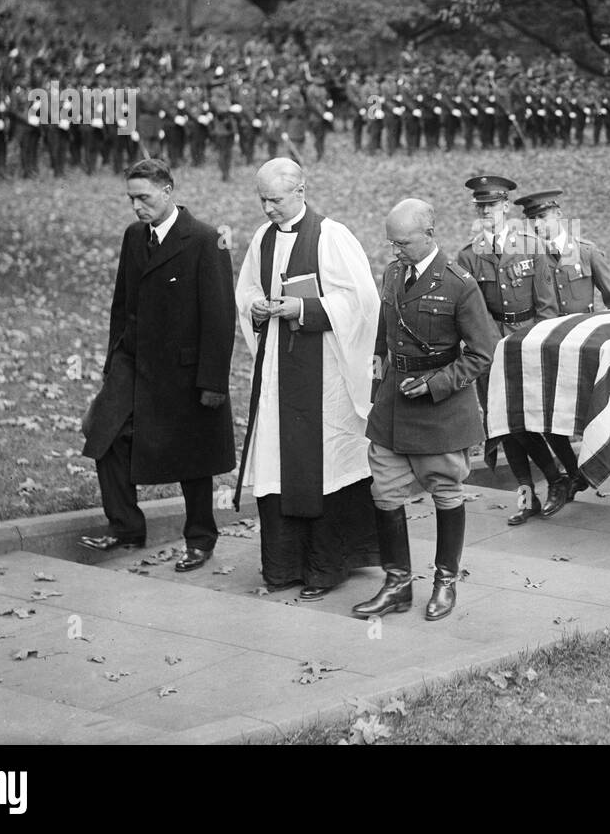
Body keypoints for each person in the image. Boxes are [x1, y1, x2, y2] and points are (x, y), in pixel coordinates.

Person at [78, 159, 235, 571]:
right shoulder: (134, 237)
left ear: (168, 191)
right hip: (134, 361)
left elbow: (220, 317)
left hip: (184, 370)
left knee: (193, 456)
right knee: (104, 433)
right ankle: (126, 527)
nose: (136, 207)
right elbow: (122, 304)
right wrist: (114, 361)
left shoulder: (205, 240)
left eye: (144, 197)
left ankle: (200, 539)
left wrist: (213, 381)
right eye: (131, 198)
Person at [233, 160, 381, 598]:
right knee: (278, 459)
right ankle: (282, 567)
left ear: (301, 191)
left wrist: (303, 310)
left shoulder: (331, 236)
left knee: (324, 461)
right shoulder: (261, 239)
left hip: (324, 373)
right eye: (261, 199)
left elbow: (362, 303)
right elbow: (247, 291)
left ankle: (325, 568)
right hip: (279, 369)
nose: (267, 208)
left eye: (275, 199)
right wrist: (257, 308)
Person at [352, 198, 498, 623]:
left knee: (446, 492)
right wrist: (378, 388)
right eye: (391, 242)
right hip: (393, 406)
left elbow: (482, 353)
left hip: (441, 410)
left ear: (429, 235)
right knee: (384, 493)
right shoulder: (394, 273)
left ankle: (444, 583)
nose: (396, 250)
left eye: (403, 242)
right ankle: (397, 584)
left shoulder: (459, 284)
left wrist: (436, 384)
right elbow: (384, 337)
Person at [457, 175, 577, 522]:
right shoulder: (469, 255)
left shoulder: (529, 245)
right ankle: (528, 496)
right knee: (501, 424)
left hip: (527, 338)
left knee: (529, 420)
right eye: (481, 207)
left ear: (506, 207)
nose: (486, 212)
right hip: (490, 343)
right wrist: (483, 348)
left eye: (492, 206)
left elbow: (547, 306)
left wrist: (539, 346)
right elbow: (470, 310)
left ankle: (557, 479)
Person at [516, 188, 610, 500]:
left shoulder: (586, 251)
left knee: (605, 414)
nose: (538, 225)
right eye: (532, 220)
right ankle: (574, 473)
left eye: (543, 217)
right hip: (552, 350)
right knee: (549, 417)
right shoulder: (533, 259)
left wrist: (607, 342)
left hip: (587, 350)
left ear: (559, 216)